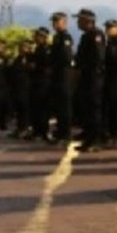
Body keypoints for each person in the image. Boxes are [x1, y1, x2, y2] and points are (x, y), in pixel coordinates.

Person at [74, 9, 106, 152]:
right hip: (86, 76)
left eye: (80, 20)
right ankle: (88, 139)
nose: (78, 23)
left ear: (88, 21)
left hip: (93, 77)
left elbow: (98, 57)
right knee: (87, 109)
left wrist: (91, 70)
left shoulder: (96, 35)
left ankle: (95, 140)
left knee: (94, 110)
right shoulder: (86, 36)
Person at [48, 12, 74, 145]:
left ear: (64, 22)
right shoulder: (57, 37)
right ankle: (60, 132)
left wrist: (55, 63)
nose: (54, 24)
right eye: (53, 21)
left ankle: (66, 134)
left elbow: (66, 57)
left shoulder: (65, 37)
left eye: (57, 21)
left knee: (64, 106)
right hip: (57, 76)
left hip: (64, 75)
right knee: (59, 106)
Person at [102, 19, 117, 147]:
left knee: (116, 108)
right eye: (107, 28)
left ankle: (116, 134)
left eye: (111, 28)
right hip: (108, 78)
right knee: (108, 107)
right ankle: (108, 133)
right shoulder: (107, 44)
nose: (108, 30)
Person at [28, 27, 51, 140]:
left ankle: (42, 131)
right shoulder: (37, 49)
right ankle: (36, 130)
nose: (34, 38)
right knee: (35, 108)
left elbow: (46, 65)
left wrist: (36, 66)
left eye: (37, 36)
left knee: (42, 108)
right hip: (36, 81)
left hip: (43, 81)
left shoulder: (46, 49)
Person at [8, 40, 33, 138]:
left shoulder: (30, 57)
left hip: (27, 87)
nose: (23, 49)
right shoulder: (18, 58)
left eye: (25, 47)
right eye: (21, 47)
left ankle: (26, 128)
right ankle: (20, 128)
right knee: (19, 109)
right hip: (17, 87)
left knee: (25, 109)